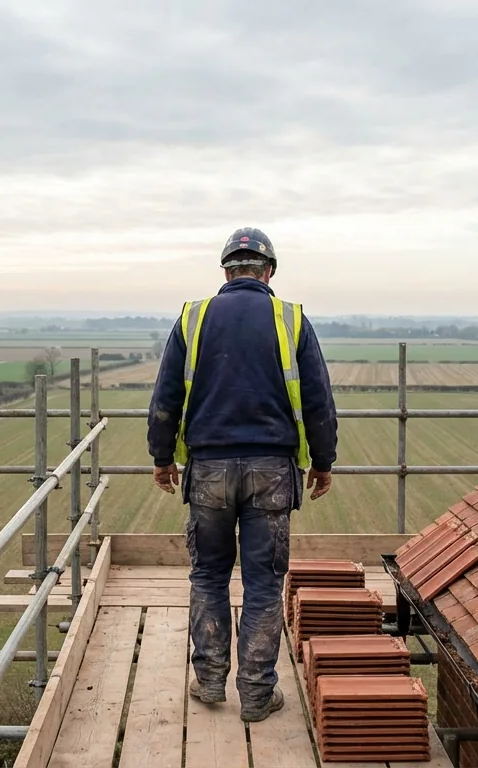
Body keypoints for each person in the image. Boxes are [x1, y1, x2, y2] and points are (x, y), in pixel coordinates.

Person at [147, 226, 339, 722]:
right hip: (272, 471)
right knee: (262, 583)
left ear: (226, 272)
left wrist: (161, 457)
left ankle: (209, 681)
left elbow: (166, 396)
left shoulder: (193, 318)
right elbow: (318, 399)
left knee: (208, 574)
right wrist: (323, 462)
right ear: (268, 271)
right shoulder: (291, 319)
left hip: (208, 469)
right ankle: (256, 695)